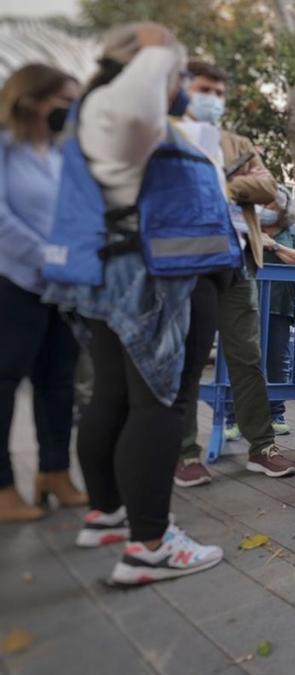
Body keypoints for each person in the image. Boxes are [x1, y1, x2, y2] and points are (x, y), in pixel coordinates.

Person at [40, 23, 229, 582]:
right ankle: (150, 543)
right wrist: (157, 44)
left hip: (133, 275)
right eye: (178, 74)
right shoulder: (116, 109)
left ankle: (109, 513)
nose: (182, 84)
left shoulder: (101, 114)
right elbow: (141, 100)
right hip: (155, 282)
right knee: (160, 405)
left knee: (118, 398)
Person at [173, 59, 295, 488]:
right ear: (185, 89)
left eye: (220, 93)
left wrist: (224, 184)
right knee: (188, 359)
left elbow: (270, 189)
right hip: (186, 262)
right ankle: (184, 453)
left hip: (239, 260)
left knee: (247, 357)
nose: (213, 100)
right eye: (206, 89)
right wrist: (231, 178)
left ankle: (262, 446)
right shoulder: (165, 135)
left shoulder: (236, 140)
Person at [0, 64, 87, 521]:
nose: (72, 112)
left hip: (59, 288)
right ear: (32, 99)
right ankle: (2, 488)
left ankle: (54, 472)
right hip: (12, 282)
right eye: (65, 102)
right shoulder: (5, 147)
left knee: (58, 382)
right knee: (3, 383)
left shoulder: (58, 156)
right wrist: (51, 255)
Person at [234, 185, 295, 434]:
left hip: (279, 306)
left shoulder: (292, 232)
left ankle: (276, 415)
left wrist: (274, 246)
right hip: (246, 305)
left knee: (278, 362)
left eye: (272, 206)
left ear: (282, 209)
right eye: (264, 204)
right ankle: (238, 418)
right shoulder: (245, 228)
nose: (267, 209)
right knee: (246, 361)